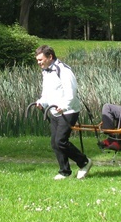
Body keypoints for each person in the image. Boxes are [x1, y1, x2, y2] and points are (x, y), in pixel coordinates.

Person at [34, 45, 93, 180]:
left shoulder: (64, 70)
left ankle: (84, 162)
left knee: (61, 141)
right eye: (37, 60)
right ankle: (64, 171)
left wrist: (64, 106)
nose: (39, 63)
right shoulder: (46, 71)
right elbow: (47, 93)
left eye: (40, 59)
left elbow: (71, 92)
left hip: (69, 111)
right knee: (55, 143)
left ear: (50, 57)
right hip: (54, 111)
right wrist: (41, 102)